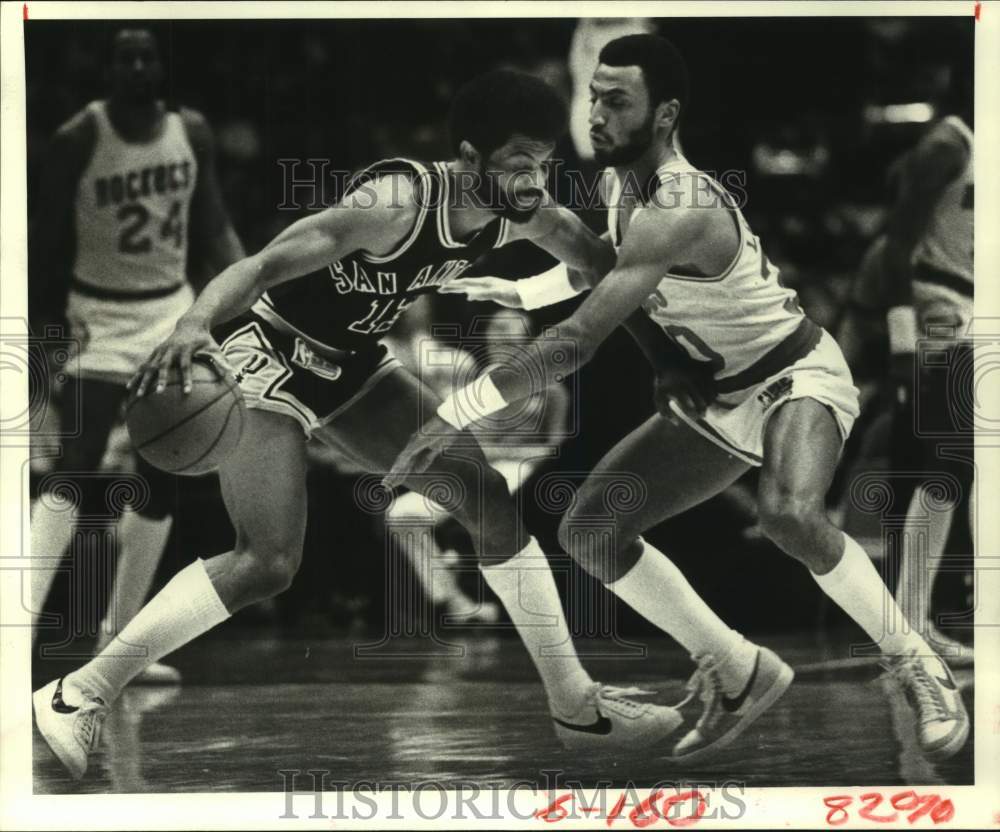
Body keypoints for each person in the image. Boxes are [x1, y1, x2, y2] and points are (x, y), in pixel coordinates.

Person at [32, 69, 683, 781]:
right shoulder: (391, 204)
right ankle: (78, 692)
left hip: (352, 365)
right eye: (518, 165)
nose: (535, 180)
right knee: (269, 561)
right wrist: (193, 320)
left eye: (545, 162)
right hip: (269, 350)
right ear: (469, 160)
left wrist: (667, 342)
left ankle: (576, 708)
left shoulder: (524, 207)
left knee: (486, 496)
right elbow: (262, 266)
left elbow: (606, 268)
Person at [393, 34, 970, 763]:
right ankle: (736, 667)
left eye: (616, 101)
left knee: (790, 513)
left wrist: (456, 411)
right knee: (593, 532)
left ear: (664, 115)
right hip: (719, 395)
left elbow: (576, 341)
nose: (595, 114)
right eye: (593, 97)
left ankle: (916, 659)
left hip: (795, 373)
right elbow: (611, 267)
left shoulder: (682, 202)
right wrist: (528, 289)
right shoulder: (617, 186)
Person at [29, 28, 244, 683]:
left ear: (163, 65)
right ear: (108, 68)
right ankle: (17, 628)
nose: (138, 66)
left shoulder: (194, 132)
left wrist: (251, 290)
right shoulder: (79, 137)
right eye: (125, 57)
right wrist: (43, 332)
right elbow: (41, 238)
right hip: (97, 312)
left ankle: (120, 642)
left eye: (148, 55)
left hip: (168, 315)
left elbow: (211, 226)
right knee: (77, 462)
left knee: (165, 470)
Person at [880, 111, 975, 665]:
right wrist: (900, 345)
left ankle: (914, 620)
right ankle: (909, 624)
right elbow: (896, 245)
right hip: (942, 305)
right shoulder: (949, 143)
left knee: (960, 468)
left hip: (978, 304)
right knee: (949, 462)